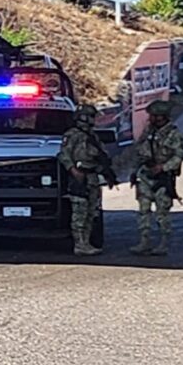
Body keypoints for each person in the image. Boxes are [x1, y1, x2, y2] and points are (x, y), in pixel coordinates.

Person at [58, 104, 118, 256]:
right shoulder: (73, 135)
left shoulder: (92, 136)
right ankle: (79, 244)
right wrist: (73, 170)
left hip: (92, 178)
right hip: (79, 177)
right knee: (80, 212)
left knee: (91, 213)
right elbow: (64, 155)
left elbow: (100, 158)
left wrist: (107, 174)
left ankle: (86, 242)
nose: (93, 120)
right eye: (91, 116)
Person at [130, 99, 183, 256]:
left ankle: (163, 243)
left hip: (163, 178)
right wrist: (135, 171)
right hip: (145, 175)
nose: (151, 118)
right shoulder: (149, 132)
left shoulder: (174, 135)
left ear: (162, 116)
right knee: (143, 210)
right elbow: (139, 152)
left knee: (162, 212)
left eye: (154, 115)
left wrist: (163, 167)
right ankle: (144, 241)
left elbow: (178, 156)